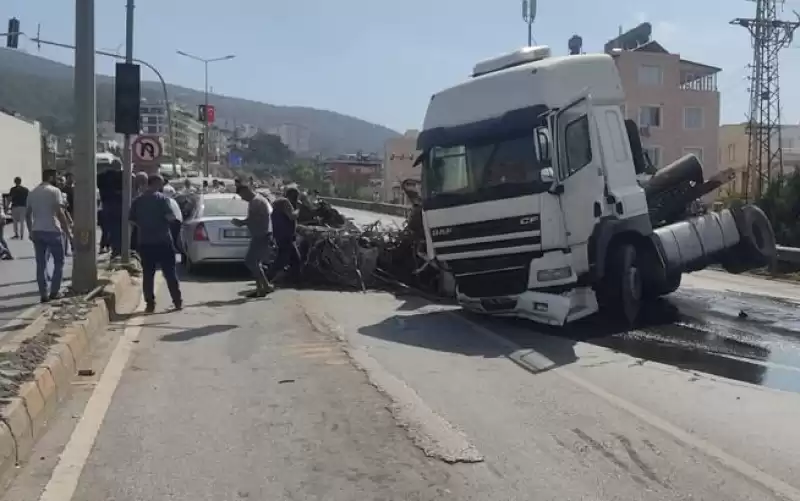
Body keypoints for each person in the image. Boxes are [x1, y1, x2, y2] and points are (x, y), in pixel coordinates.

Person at [129, 175, 183, 313]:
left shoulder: (138, 201)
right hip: (163, 240)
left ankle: (150, 304)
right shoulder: (163, 199)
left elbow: (131, 220)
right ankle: (177, 302)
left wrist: (145, 225)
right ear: (157, 184)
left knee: (148, 274)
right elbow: (171, 217)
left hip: (146, 242)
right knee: (170, 273)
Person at [26, 169, 72, 303]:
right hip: (53, 230)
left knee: (41, 264)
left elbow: (27, 214)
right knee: (59, 262)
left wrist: (30, 230)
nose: (57, 180)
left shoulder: (32, 192)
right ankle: (54, 292)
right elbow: (60, 213)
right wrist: (68, 233)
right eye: (56, 177)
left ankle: (43, 294)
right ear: (51, 177)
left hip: (37, 231)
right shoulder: (54, 191)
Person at [233, 185, 275, 297]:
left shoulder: (256, 201)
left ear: (246, 191)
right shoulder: (258, 200)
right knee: (255, 262)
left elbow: (255, 218)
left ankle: (265, 286)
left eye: (242, 195)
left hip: (262, 235)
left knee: (250, 261)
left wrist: (241, 223)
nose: (242, 198)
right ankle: (261, 288)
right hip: (261, 234)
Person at [266, 186, 302, 284]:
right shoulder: (285, 202)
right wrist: (298, 208)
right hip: (285, 236)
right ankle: (268, 277)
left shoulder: (278, 202)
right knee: (284, 259)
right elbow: (292, 216)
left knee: (293, 259)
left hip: (281, 234)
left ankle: (293, 279)